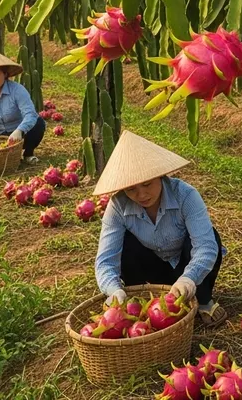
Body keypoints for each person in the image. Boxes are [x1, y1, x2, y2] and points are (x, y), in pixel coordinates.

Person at [94, 131, 227, 328]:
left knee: (211, 238)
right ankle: (135, 300)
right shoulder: (118, 206)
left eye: (147, 184)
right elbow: (106, 259)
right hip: (153, 269)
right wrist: (114, 291)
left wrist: (188, 279)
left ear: (160, 176)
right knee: (126, 243)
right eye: (131, 189)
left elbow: (205, 247)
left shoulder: (185, 195)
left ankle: (204, 299)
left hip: (188, 265)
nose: (141, 194)